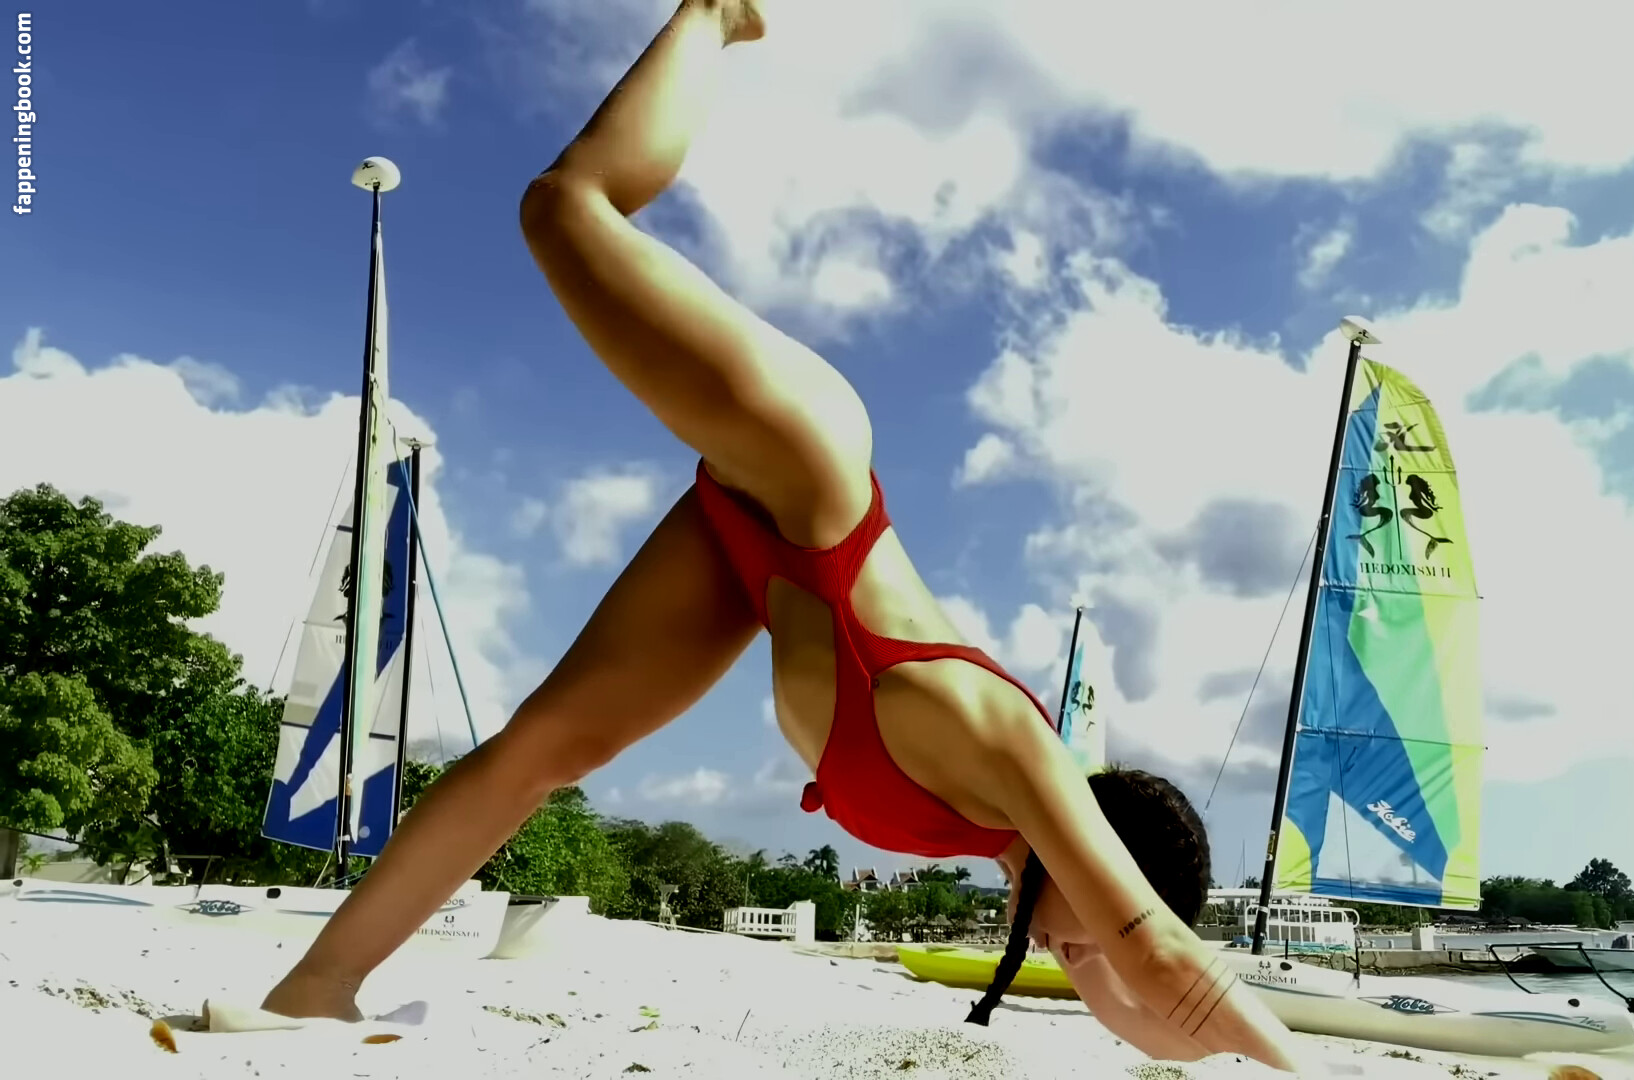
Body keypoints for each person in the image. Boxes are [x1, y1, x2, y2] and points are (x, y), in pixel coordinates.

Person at [260, 1, 1316, 1072]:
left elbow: (1141, 1013)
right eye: (1091, 938)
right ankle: (717, 12)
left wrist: (1158, 1008)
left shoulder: (994, 840)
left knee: (544, 750)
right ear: (1112, 871)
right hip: (808, 465)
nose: (1074, 957)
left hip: (756, 561)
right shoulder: (1019, 754)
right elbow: (1161, 965)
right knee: (565, 208)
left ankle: (317, 985)